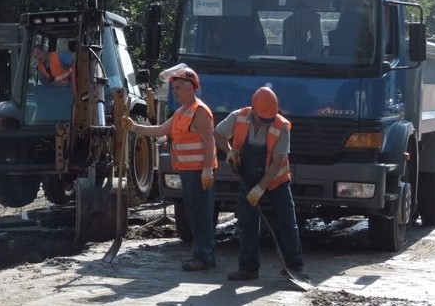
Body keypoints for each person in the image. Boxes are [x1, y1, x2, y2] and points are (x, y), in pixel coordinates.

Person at [124, 63, 217, 271]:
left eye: (177, 88)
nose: (174, 92)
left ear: (190, 88)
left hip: (199, 172)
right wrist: (135, 127)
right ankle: (205, 256)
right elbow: (159, 131)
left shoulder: (199, 111)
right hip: (187, 171)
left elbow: (209, 141)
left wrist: (207, 169)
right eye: (173, 88)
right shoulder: (181, 112)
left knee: (201, 215)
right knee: (195, 214)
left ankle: (203, 257)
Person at [213, 86, 305, 281]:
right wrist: (229, 151)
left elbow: (278, 161)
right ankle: (248, 269)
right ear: (253, 111)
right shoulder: (238, 116)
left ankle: (295, 268)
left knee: (288, 222)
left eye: (269, 119)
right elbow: (218, 134)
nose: (266, 122)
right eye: (263, 119)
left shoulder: (282, 126)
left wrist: (261, 187)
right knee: (247, 224)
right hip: (247, 178)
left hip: (276, 180)